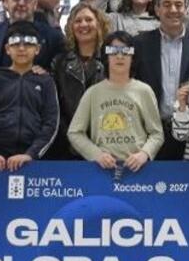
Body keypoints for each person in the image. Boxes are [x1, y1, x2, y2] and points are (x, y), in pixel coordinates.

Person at [67, 32, 164, 171]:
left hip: (138, 170)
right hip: (101, 169)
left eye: (126, 51)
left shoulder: (144, 91)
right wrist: (96, 155)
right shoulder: (93, 93)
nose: (120, 56)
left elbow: (157, 133)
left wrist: (144, 154)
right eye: (113, 51)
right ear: (106, 57)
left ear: (133, 57)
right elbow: (74, 133)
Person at [0, 21, 60, 170]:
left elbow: (51, 123)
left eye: (28, 44)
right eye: (15, 44)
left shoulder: (45, 81)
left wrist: (31, 154)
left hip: (33, 162)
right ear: (7, 49)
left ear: (37, 49)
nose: (21, 49)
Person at [133, 0, 189, 160]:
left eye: (178, 5)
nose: (173, 10)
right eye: (166, 4)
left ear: (186, 9)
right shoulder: (139, 44)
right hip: (149, 133)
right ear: (157, 9)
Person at [50, 3, 108, 161]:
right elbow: (54, 107)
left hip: (106, 145)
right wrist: (73, 137)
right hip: (67, 145)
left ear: (99, 24)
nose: (83, 24)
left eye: (89, 20)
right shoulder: (59, 62)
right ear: (70, 26)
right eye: (78, 21)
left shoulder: (111, 59)